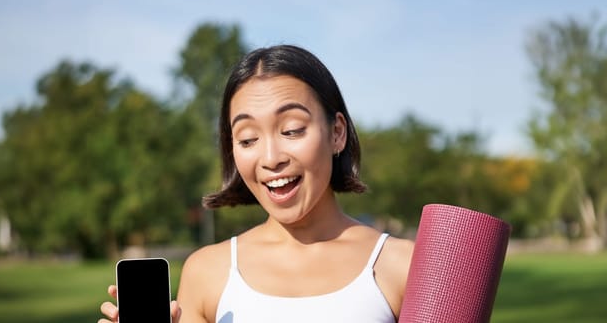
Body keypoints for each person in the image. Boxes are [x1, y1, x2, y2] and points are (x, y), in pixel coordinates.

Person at [99, 45, 414, 323]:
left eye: (291, 130)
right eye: (248, 139)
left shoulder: (404, 266)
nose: (271, 157)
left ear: (337, 133)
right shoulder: (206, 272)